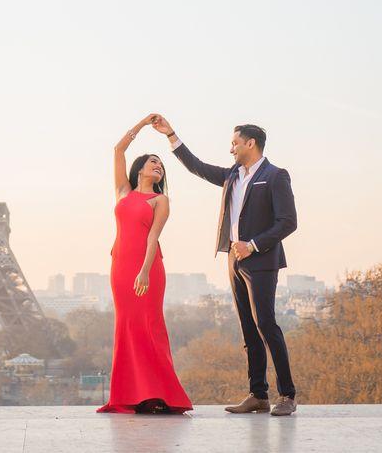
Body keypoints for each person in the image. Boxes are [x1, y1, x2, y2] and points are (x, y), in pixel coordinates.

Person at [151, 116, 297, 416]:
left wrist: (253, 244)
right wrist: (172, 136)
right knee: (248, 329)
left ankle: (287, 395)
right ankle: (258, 395)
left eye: (234, 143)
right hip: (234, 260)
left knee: (266, 325)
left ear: (250, 143)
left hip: (260, 260)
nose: (231, 149)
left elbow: (288, 222)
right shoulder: (233, 175)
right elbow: (198, 167)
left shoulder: (275, 176)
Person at [97, 114, 192, 415]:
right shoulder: (123, 192)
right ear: (140, 168)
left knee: (149, 327)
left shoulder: (160, 201)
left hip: (147, 270)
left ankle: (157, 395)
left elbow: (153, 238)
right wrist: (140, 125)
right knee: (126, 328)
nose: (158, 165)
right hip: (120, 269)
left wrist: (144, 272)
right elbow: (117, 151)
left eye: (161, 164)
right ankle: (130, 396)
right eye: (153, 161)